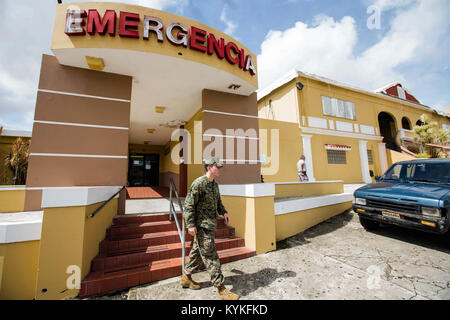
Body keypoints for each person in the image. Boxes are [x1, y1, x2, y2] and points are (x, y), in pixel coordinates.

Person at [180, 157, 239, 300]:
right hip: (201, 226)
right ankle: (221, 288)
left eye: (220, 167)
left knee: (197, 252)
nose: (219, 169)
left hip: (210, 225)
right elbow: (188, 206)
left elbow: (218, 202)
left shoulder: (214, 185)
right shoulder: (198, 184)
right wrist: (190, 225)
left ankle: (186, 277)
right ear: (209, 167)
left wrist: (224, 212)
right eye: (217, 166)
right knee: (211, 255)